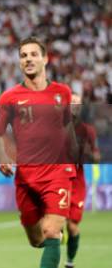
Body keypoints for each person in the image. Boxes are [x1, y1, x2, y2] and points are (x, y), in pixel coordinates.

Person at [0, 37, 76, 268]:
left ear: (45, 59)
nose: (28, 59)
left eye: (33, 54)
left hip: (58, 172)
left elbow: (68, 128)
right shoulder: (9, 97)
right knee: (37, 239)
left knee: (49, 230)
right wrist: (3, 158)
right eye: (23, 55)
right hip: (26, 176)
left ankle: (56, 233)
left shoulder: (63, 93)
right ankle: (57, 237)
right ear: (19, 63)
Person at [65, 94, 100, 268]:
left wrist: (91, 154)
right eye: (71, 102)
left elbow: (96, 156)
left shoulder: (88, 131)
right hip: (58, 179)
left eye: (77, 103)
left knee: (72, 226)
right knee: (52, 224)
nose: (74, 106)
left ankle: (70, 262)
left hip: (77, 181)